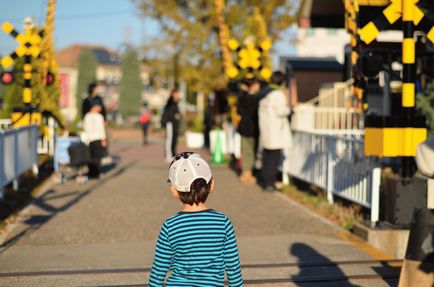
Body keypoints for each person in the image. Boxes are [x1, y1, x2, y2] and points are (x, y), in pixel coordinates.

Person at [147, 152, 243, 287]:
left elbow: (158, 270)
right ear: (212, 185)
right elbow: (233, 268)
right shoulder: (222, 222)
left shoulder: (170, 226)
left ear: (174, 191)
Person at [258, 71, 291, 192]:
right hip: (276, 131)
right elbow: (281, 111)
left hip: (266, 129)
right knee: (274, 159)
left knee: (266, 157)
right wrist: (290, 110)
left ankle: (265, 181)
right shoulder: (277, 94)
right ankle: (270, 183)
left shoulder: (264, 93)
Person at [236, 78, 264, 184]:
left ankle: (245, 173)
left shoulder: (242, 97)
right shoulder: (257, 98)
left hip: (243, 127)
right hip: (253, 128)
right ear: (252, 86)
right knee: (252, 151)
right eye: (257, 84)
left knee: (245, 150)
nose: (258, 87)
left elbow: (239, 111)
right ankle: (249, 174)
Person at [83, 101, 107, 178]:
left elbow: (85, 128)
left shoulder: (87, 116)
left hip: (89, 139)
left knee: (90, 156)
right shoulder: (99, 117)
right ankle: (96, 173)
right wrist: (104, 139)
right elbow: (101, 128)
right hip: (97, 138)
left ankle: (91, 172)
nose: (100, 108)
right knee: (97, 157)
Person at [161, 89, 181, 161]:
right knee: (169, 139)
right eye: (176, 94)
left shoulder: (176, 103)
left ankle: (173, 153)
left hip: (175, 124)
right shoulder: (170, 102)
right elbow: (168, 112)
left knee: (174, 139)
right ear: (173, 94)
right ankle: (168, 155)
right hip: (170, 123)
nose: (178, 95)